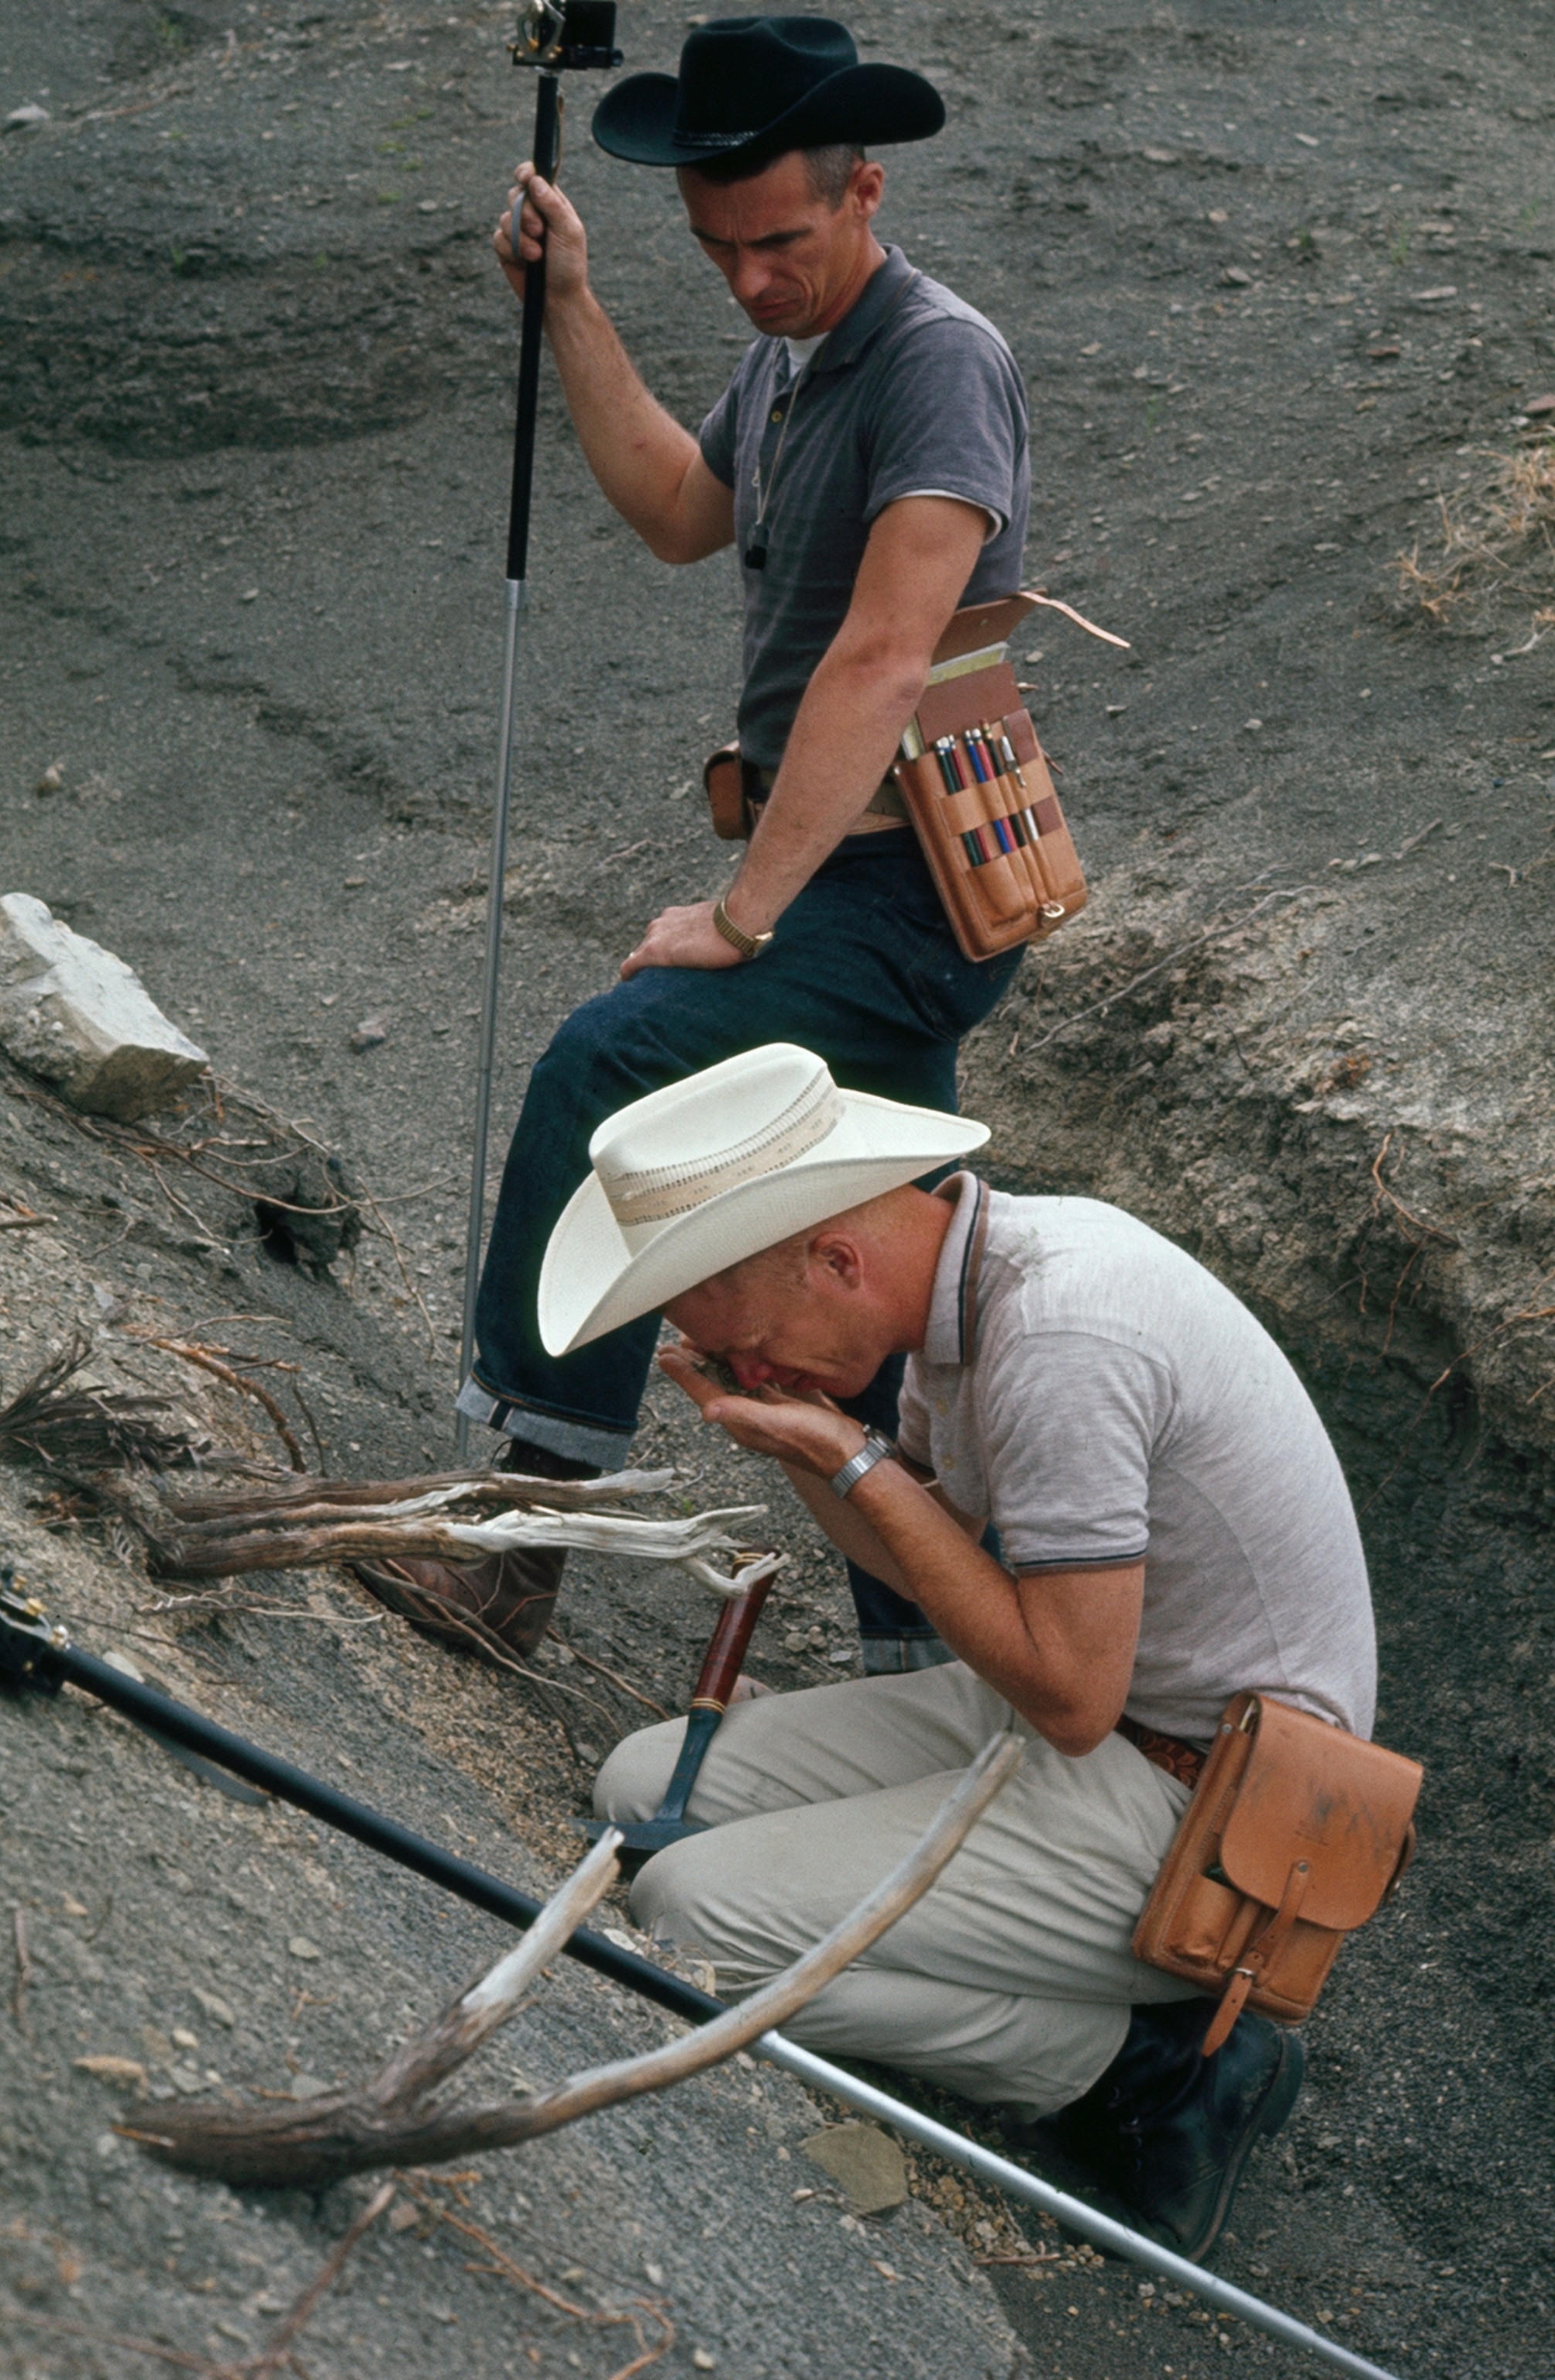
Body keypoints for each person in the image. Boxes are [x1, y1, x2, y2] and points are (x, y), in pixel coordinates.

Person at [356, 19, 1034, 1673]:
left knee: (611, 1069)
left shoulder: (938, 360)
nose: (747, 282)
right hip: (859, 880)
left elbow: (885, 659)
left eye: (780, 244)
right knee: (858, 1278)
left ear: (864, 188)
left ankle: (520, 1543)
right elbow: (676, 508)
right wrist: (571, 308)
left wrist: (740, 916)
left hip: (901, 891)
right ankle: (928, 1661)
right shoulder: (794, 357)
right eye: (716, 250)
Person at [535, 1043, 1380, 2257]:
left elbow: (1073, 1693)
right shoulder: (971, 1290)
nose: (753, 1369)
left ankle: (1147, 2069)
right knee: (641, 1786)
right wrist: (806, 1442)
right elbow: (934, 1562)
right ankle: (1064, 1994)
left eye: (757, 1342)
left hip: (1214, 1815)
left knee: (684, 1918)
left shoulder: (1065, 1334)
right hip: (1095, 1720)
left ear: (837, 1256)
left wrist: (852, 1460)